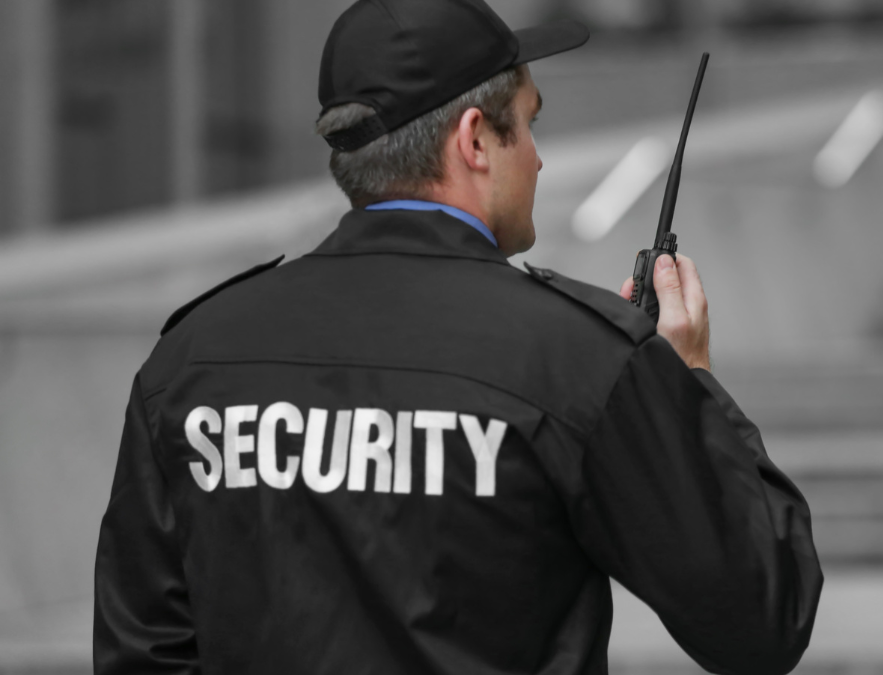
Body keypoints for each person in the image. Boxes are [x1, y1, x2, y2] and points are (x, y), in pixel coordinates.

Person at [93, 0, 823, 673]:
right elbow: (762, 618)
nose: (537, 157)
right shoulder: (577, 358)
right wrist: (689, 383)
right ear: (475, 139)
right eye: (529, 124)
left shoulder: (191, 358)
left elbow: (142, 652)